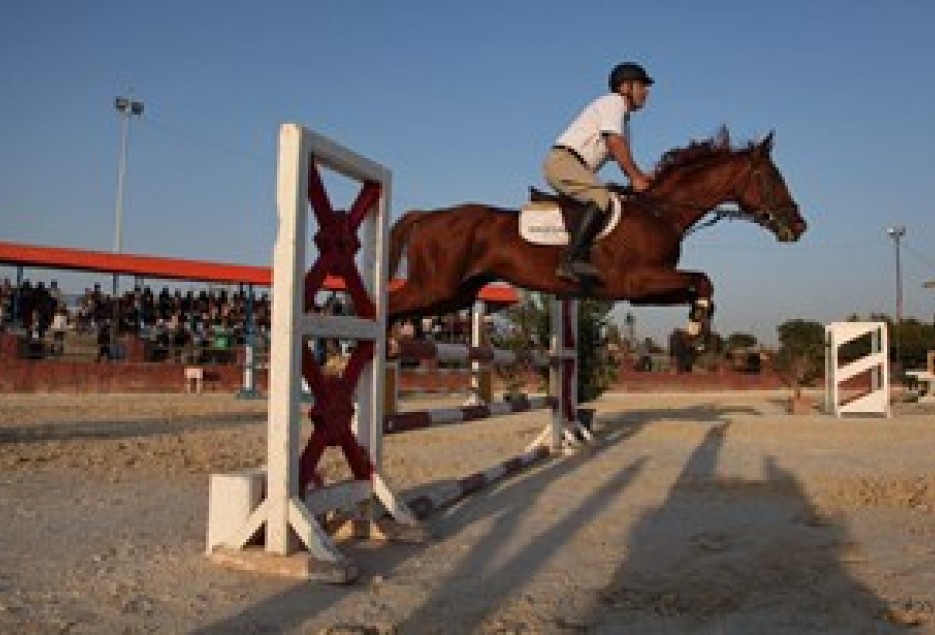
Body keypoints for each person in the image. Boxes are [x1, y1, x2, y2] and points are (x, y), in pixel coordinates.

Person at [543, 61, 655, 283]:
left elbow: (621, 156)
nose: (646, 92)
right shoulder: (614, 103)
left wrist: (642, 177)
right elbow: (615, 144)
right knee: (600, 197)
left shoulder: (623, 118)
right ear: (625, 87)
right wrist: (636, 177)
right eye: (642, 86)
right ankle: (572, 260)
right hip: (564, 161)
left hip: (576, 166)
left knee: (611, 197)